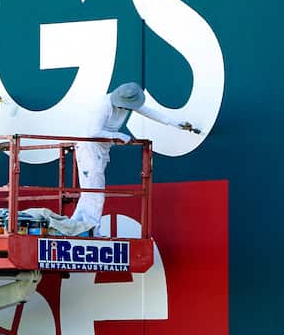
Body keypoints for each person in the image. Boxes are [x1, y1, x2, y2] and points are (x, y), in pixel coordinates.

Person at [72, 82, 199, 235]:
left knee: (91, 191)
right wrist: (117, 135)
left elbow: (150, 112)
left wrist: (176, 124)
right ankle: (91, 231)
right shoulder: (103, 105)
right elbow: (92, 132)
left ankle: (79, 228)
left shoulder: (127, 102)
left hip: (101, 150)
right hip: (89, 149)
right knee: (95, 192)